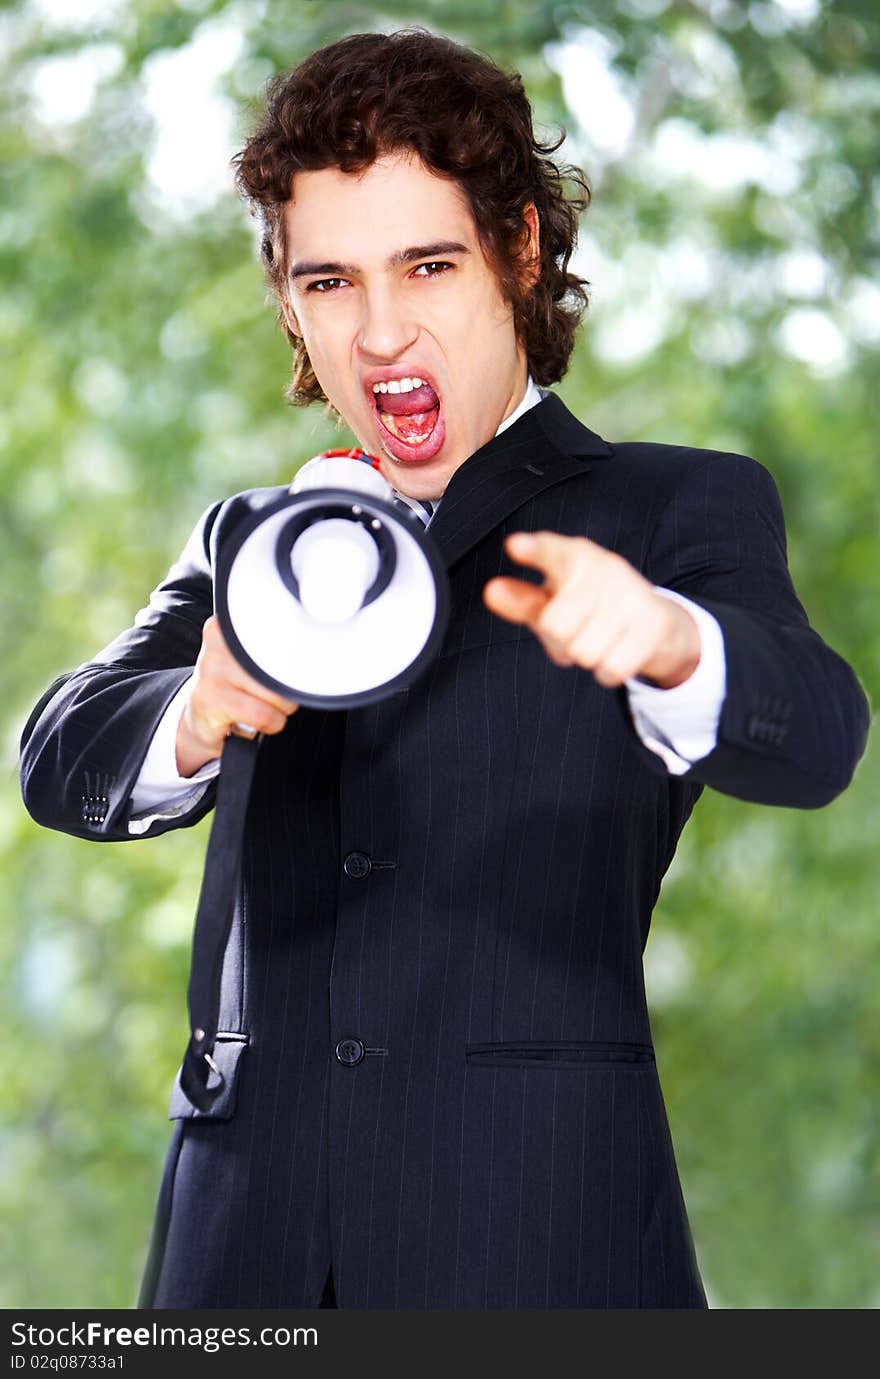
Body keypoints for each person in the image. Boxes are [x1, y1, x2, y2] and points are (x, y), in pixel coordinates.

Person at [20, 29, 870, 1310]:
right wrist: (199, 711)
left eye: (425, 265)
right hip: (241, 1260)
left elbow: (813, 735)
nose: (378, 333)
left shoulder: (672, 505)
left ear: (519, 253)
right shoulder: (257, 536)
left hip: (539, 1239)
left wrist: (667, 641)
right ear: (289, 298)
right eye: (328, 282)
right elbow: (56, 754)